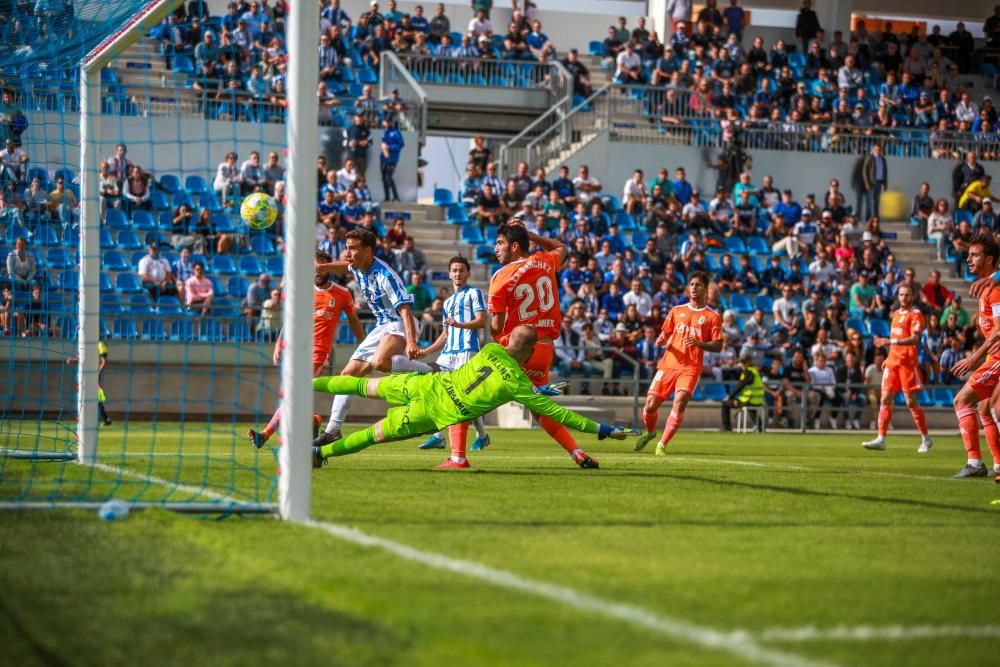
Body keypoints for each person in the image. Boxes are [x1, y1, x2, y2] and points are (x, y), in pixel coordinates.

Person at [311, 326, 638, 469]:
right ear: (529, 354)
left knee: (360, 385)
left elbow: (493, 377)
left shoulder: (491, 348)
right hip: (434, 411)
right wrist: (602, 430)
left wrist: (538, 390)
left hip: (427, 384)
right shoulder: (517, 383)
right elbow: (560, 414)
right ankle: (321, 452)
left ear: (509, 340)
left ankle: (306, 385)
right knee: (373, 434)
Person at [489, 221, 600, 469]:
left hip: (518, 351)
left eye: (500, 243)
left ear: (514, 247)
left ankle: (457, 455)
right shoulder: (545, 261)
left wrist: (496, 345)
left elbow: (496, 326)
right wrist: (531, 235)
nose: (495, 248)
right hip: (545, 349)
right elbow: (562, 246)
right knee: (540, 409)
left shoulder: (501, 276)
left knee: (469, 393)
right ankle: (576, 452)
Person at [313, 229, 432, 447]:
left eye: (353, 248)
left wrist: (412, 342)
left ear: (368, 251)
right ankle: (333, 430)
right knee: (346, 375)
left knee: (379, 362)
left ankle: (429, 371)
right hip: (381, 326)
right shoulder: (358, 266)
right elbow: (344, 266)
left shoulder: (384, 275)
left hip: (399, 322)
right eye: (347, 247)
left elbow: (405, 310)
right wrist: (323, 267)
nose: (348, 253)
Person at [248, 252, 365, 449]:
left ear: (328, 268)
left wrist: (364, 343)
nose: (316, 272)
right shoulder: (304, 292)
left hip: (319, 353)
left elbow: (353, 319)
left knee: (292, 394)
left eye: (320, 267)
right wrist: (279, 343)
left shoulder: (342, 293)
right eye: (313, 268)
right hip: (297, 351)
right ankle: (313, 419)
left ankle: (266, 434)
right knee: (292, 396)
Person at [633, 272, 724, 454]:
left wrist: (699, 343)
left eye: (698, 285)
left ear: (706, 289)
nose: (693, 288)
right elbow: (665, 333)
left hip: (690, 368)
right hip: (668, 364)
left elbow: (718, 345)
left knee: (680, 401)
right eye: (691, 284)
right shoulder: (676, 310)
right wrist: (661, 339)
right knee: (650, 405)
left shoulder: (713, 316)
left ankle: (662, 445)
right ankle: (651, 433)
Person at [415, 255, 491, 452]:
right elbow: (445, 335)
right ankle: (439, 436)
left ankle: (481, 436)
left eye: (461, 270)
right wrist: (427, 351)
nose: (458, 273)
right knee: (439, 391)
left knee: (463, 398)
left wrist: (460, 324)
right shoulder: (447, 303)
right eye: (454, 270)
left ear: (468, 273)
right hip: (448, 354)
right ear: (449, 274)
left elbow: (482, 321)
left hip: (468, 350)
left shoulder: (475, 293)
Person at [950, 234, 1000, 478]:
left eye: (975, 255)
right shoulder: (986, 288)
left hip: (998, 360)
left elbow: (999, 331)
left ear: (989, 259)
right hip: (994, 359)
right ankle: (998, 465)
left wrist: (973, 359)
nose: (968, 259)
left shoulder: (995, 289)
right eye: (968, 254)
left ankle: (975, 463)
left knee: (961, 401)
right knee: (985, 410)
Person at [861, 284, 933, 452]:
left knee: (911, 402)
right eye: (901, 295)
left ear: (912, 297)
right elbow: (895, 338)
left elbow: (914, 339)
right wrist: (888, 356)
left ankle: (926, 438)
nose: (903, 298)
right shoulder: (895, 314)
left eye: (907, 295)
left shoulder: (916, 315)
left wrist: (889, 342)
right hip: (892, 363)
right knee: (885, 398)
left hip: (907, 364)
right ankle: (881, 438)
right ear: (897, 297)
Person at [720, 351, 765, 431]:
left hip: (748, 399)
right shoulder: (755, 371)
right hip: (758, 399)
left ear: (748, 362)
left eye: (743, 362)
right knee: (751, 407)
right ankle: (759, 426)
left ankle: (727, 428)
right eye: (742, 362)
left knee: (725, 403)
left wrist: (729, 396)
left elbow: (740, 386)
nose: (742, 364)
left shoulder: (748, 372)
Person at [379, 117, 404, 201]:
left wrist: (389, 147)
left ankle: (396, 196)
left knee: (388, 177)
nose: (386, 123)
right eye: (385, 121)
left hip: (392, 159)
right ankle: (387, 197)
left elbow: (401, 145)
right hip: (384, 158)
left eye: (388, 122)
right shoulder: (383, 132)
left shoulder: (396, 132)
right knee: (383, 178)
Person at [861, 143, 888, 221]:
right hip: (871, 183)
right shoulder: (870, 158)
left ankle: (876, 219)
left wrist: (885, 184)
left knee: (877, 202)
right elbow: (864, 171)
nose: (877, 151)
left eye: (879, 150)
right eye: (876, 149)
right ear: (873, 150)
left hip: (880, 183)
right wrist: (867, 183)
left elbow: (885, 172)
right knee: (869, 202)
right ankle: (868, 219)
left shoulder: (883, 159)